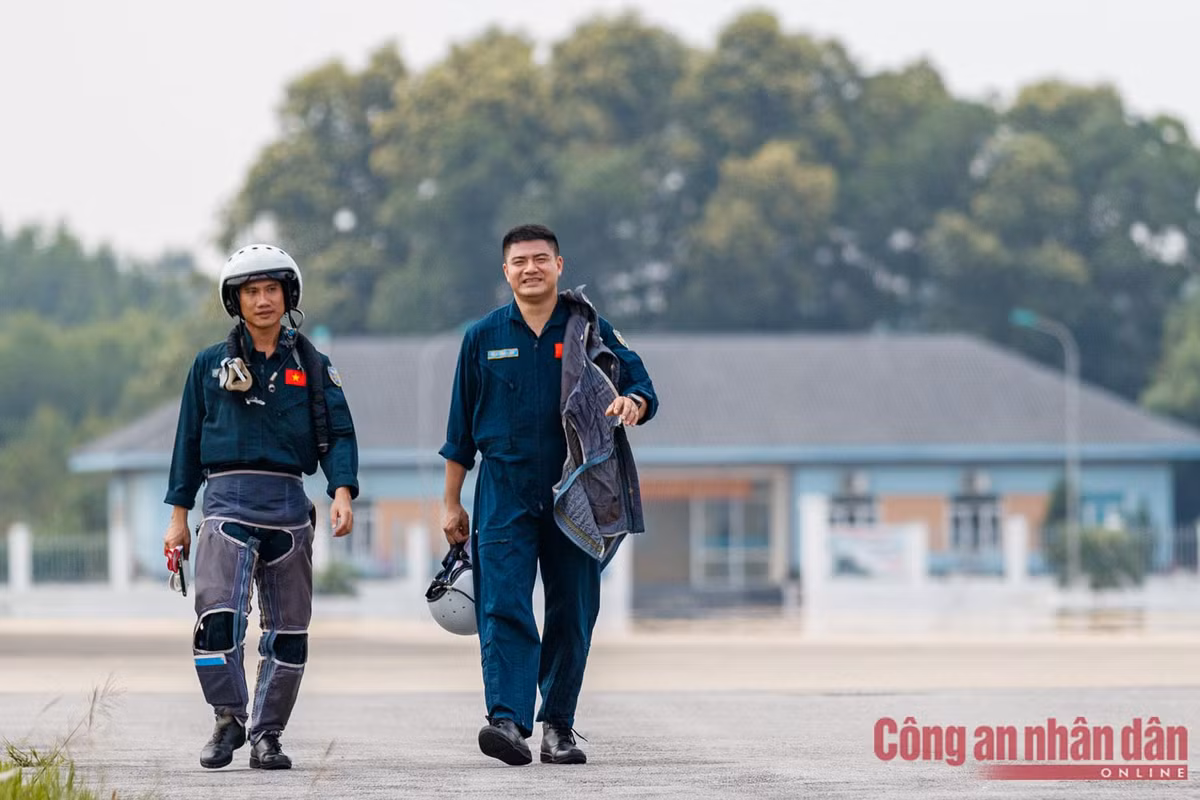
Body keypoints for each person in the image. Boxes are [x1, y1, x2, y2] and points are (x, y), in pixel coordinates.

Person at [440, 223, 658, 766]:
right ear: (505, 271)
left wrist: (632, 403)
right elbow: (459, 434)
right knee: (503, 603)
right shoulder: (483, 337)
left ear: (560, 266)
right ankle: (507, 722)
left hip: (576, 488)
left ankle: (558, 725)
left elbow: (642, 386)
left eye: (541, 259)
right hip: (504, 490)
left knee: (573, 608)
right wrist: (451, 503)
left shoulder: (590, 328)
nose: (530, 268)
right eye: (520, 261)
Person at [162, 244, 358, 771]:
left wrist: (341, 492)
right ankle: (228, 721)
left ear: (288, 295)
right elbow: (186, 444)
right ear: (236, 300)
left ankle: (269, 734)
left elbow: (339, 435)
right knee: (217, 620)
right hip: (225, 503)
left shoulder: (313, 365)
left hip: (290, 507)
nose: (263, 300)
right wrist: (179, 517)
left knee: (290, 633)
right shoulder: (209, 365)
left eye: (272, 289)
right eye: (251, 291)